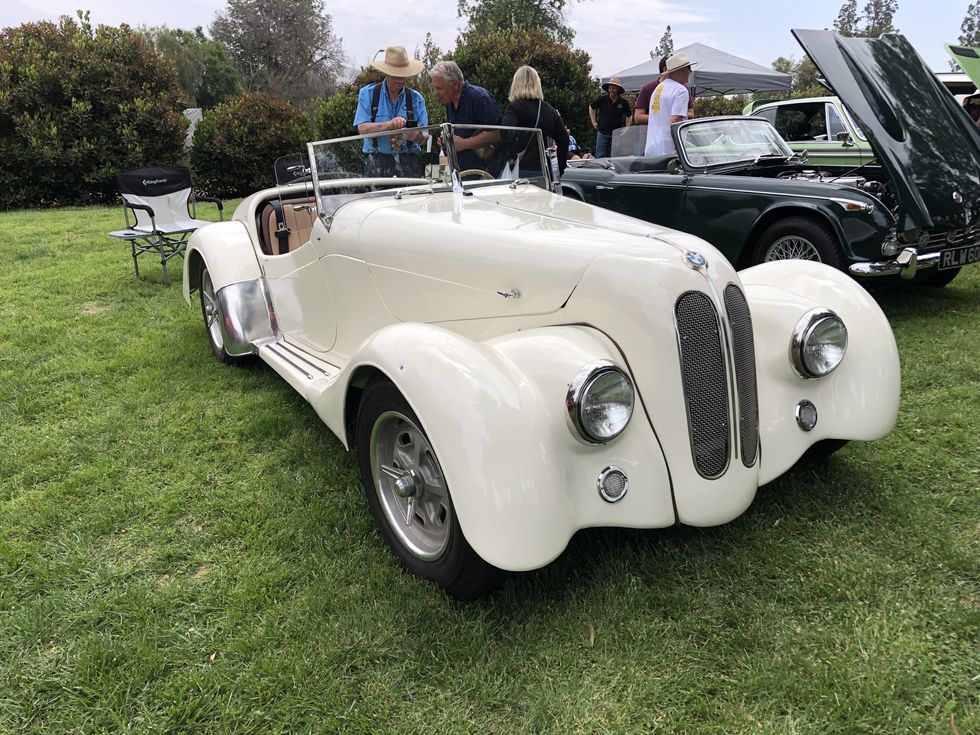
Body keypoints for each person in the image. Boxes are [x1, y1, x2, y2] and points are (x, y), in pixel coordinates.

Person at [352, 45, 428, 178]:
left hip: (409, 162)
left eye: (403, 74)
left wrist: (417, 135)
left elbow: (425, 137)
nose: (400, 78)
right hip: (376, 162)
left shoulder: (417, 99)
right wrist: (389, 125)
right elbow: (362, 129)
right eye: (396, 74)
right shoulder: (368, 94)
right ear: (386, 73)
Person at [429, 60, 502, 172]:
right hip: (464, 172)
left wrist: (464, 144)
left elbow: (497, 134)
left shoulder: (479, 97)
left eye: (439, 88)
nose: (435, 93)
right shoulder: (450, 102)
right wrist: (446, 140)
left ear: (456, 84)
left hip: (486, 174)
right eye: (434, 88)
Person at [500, 66, 570, 177]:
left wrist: (511, 159)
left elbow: (506, 134)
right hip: (545, 172)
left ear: (515, 84)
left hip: (521, 171)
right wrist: (558, 170)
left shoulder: (513, 108)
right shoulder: (550, 110)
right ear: (537, 84)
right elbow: (564, 140)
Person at [644, 52, 695, 156]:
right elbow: (675, 121)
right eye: (688, 68)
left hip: (652, 150)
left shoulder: (659, 88)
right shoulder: (680, 90)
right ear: (681, 70)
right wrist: (677, 148)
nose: (690, 71)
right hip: (669, 152)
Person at [634, 54, 694, 126]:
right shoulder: (648, 88)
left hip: (676, 133)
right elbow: (637, 117)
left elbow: (691, 113)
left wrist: (676, 115)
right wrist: (668, 118)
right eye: (687, 68)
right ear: (665, 70)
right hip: (648, 133)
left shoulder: (684, 88)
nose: (689, 71)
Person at [589, 76, 631, 158]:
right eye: (610, 88)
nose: (611, 90)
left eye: (614, 88)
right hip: (602, 132)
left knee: (614, 157)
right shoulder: (602, 99)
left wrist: (627, 128)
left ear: (618, 89)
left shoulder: (623, 102)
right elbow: (591, 107)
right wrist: (593, 121)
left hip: (616, 134)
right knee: (600, 157)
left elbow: (629, 115)